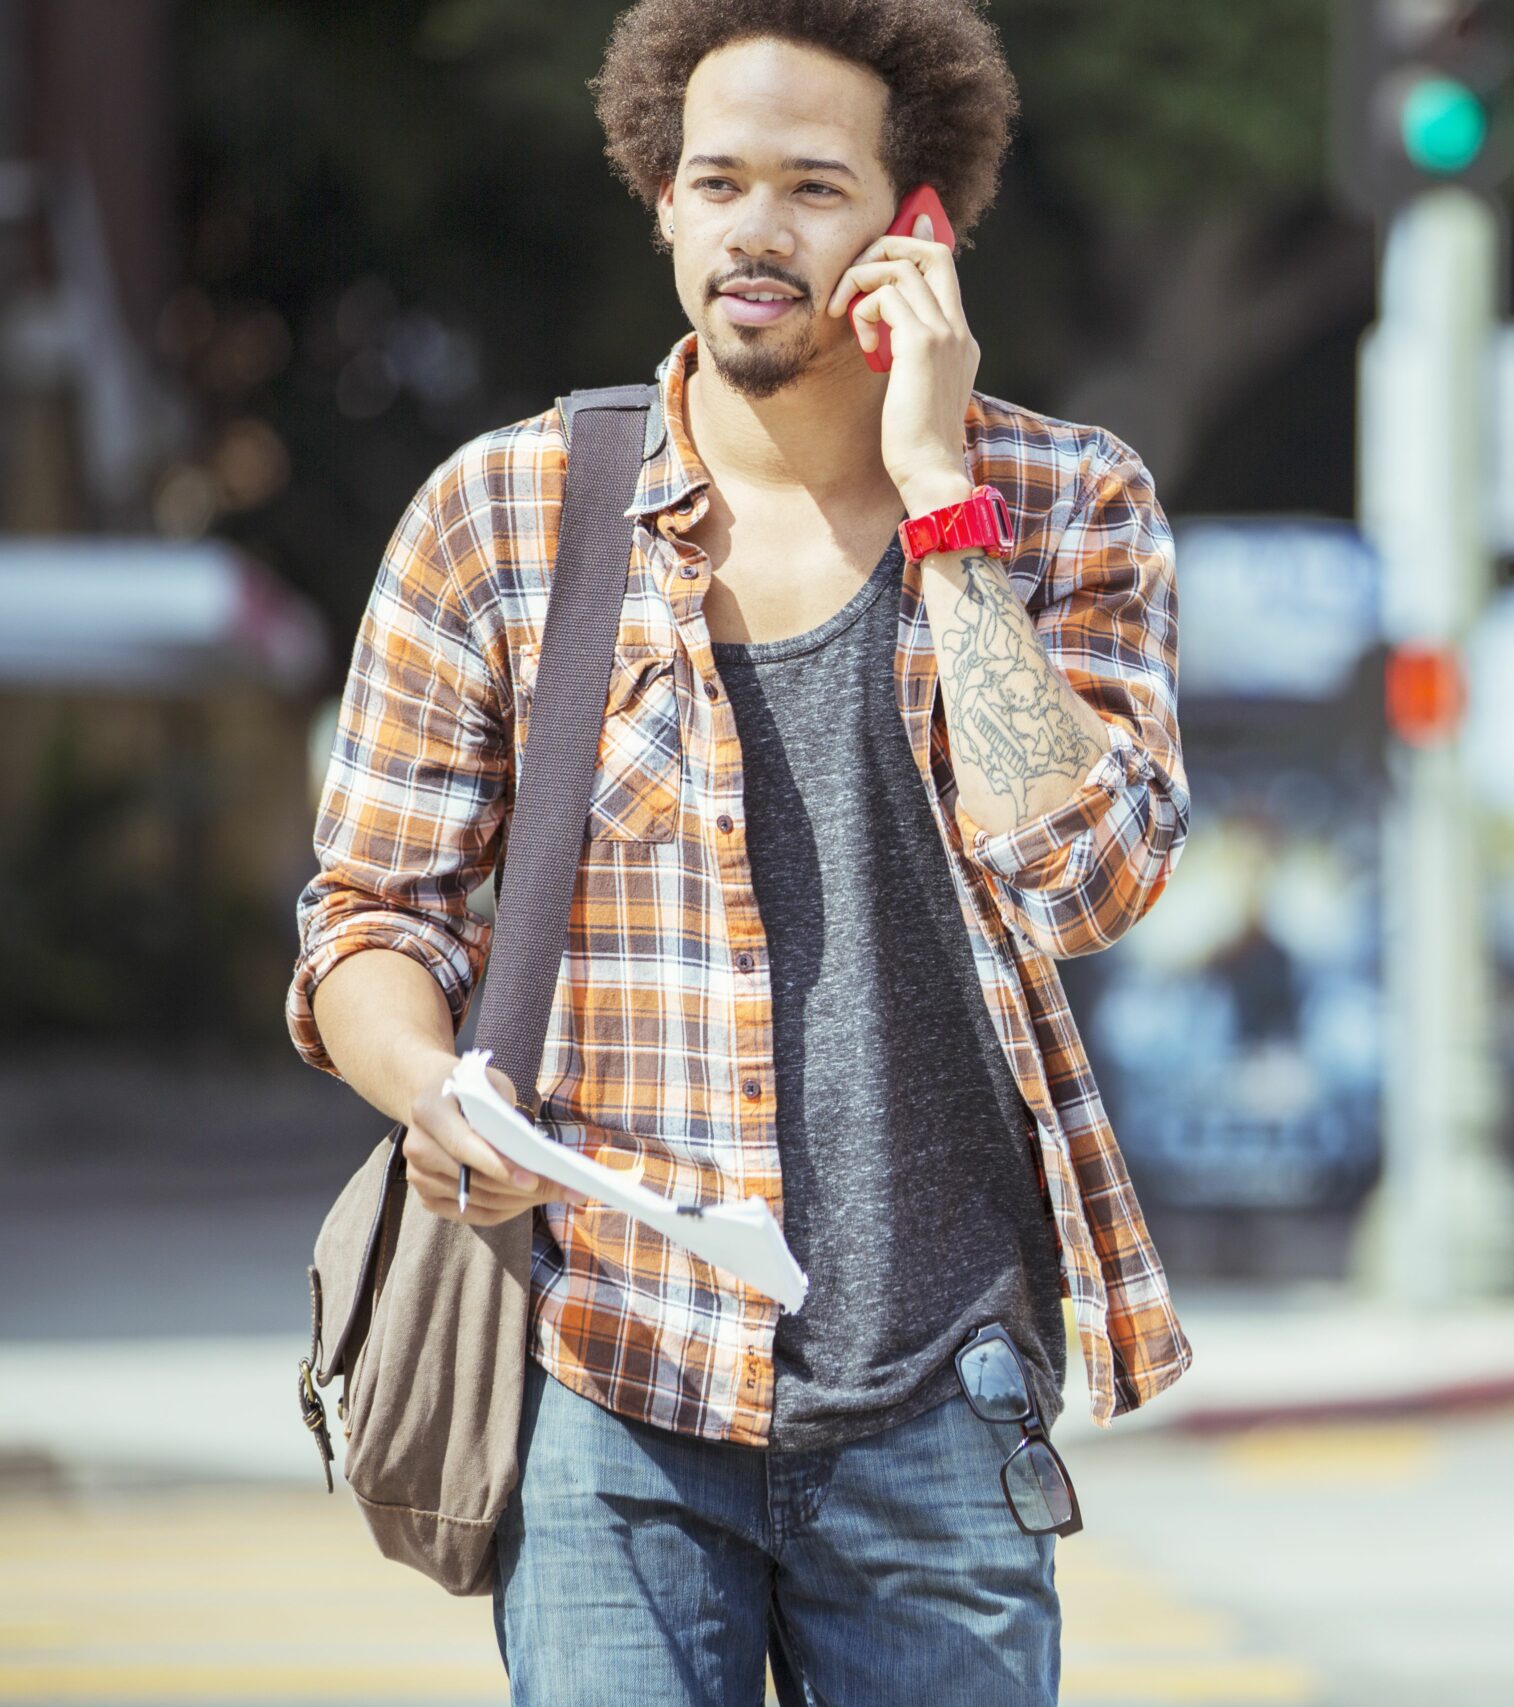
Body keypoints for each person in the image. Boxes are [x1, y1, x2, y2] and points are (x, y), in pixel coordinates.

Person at [283, 3, 1195, 1700]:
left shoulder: (1073, 505)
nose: (755, 230)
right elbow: (370, 915)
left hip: (939, 1399)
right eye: (716, 181)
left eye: (812, 185)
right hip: (608, 1381)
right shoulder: (507, 512)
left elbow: (1094, 881)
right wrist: (432, 1092)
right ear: (660, 196)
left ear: (915, 225)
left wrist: (941, 501)